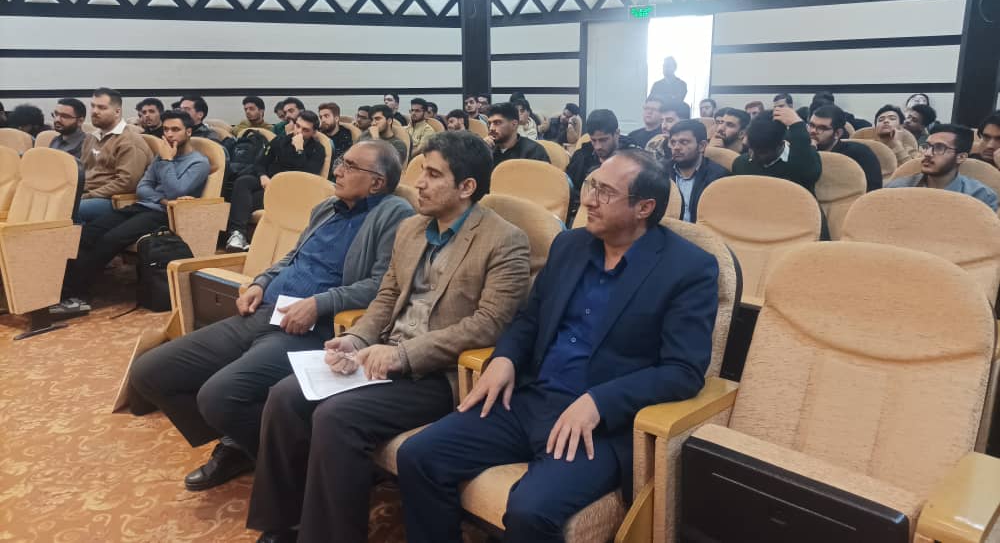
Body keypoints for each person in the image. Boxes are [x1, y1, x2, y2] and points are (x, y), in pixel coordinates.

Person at [397, 148, 719, 543]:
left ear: (644, 208)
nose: (589, 200)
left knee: (530, 511)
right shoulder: (570, 245)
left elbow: (683, 371)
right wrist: (505, 358)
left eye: (605, 193)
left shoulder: (688, 269)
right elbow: (530, 319)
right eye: (591, 186)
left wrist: (599, 402)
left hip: (600, 424)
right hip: (530, 398)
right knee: (419, 456)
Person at [246, 131, 532, 543]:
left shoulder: (504, 240)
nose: (420, 183)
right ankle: (282, 525)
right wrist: (357, 340)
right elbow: (386, 297)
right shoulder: (412, 229)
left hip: (438, 374)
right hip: (381, 355)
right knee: (285, 396)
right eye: (421, 171)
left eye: (434, 175)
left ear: (467, 186)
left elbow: (489, 324)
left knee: (336, 417)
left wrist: (403, 355)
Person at [129, 139, 414, 495]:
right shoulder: (327, 208)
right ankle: (243, 441)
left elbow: (382, 285)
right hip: (267, 311)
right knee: (149, 373)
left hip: (314, 328)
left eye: (351, 166)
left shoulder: (394, 214)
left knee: (219, 396)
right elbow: (293, 256)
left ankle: (298, 471)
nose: (338, 170)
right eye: (342, 161)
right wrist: (261, 282)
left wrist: (319, 303)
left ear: (377, 183)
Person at [61, 110, 209, 308]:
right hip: (142, 206)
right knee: (88, 233)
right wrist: (161, 198)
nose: (169, 134)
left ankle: (76, 295)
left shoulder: (198, 163)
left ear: (189, 132)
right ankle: (63, 288)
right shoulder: (161, 157)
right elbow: (142, 188)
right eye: (166, 130)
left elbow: (176, 191)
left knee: (110, 239)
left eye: (175, 130)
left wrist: (167, 161)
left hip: (165, 215)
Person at [225, 110, 327, 252]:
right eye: (297, 126)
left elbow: (306, 178)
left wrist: (299, 150)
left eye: (305, 130)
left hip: (289, 192)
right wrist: (263, 175)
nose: (299, 132)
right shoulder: (281, 140)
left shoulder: (318, 150)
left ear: (314, 132)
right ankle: (238, 235)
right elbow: (260, 163)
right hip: (268, 182)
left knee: (245, 200)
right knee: (243, 182)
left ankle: (237, 234)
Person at [78, 87, 151, 223]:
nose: (94, 111)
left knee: (68, 210)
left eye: (102, 108)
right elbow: (82, 171)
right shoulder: (91, 137)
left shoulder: (129, 140)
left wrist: (88, 195)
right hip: (87, 195)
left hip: (113, 200)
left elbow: (126, 183)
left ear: (117, 112)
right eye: (93, 106)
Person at [887, 124, 998, 210]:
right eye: (927, 146)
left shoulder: (980, 197)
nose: (927, 153)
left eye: (939, 148)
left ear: (961, 157)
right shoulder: (898, 189)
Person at [567, 109, 639, 221]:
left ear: (617, 133)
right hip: (584, 213)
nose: (598, 146)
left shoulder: (634, 159)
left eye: (603, 140)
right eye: (593, 140)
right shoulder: (581, 156)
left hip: (620, 217)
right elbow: (570, 191)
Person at [733, 107, 822, 195]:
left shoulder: (802, 162)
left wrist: (797, 125)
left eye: (762, 152)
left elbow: (809, 176)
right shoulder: (741, 164)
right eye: (751, 148)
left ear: (781, 144)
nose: (753, 156)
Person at [665, 119, 729, 222]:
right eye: (673, 142)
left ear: (701, 146)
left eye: (684, 142)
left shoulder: (719, 176)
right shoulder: (660, 171)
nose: (676, 147)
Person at [808, 105, 882, 191]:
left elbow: (873, 191)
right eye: (811, 125)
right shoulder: (802, 151)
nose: (813, 131)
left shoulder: (860, 154)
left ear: (837, 133)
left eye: (822, 128)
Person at [483, 102, 549, 168]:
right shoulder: (488, 149)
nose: (491, 128)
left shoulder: (534, 151)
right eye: (489, 123)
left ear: (514, 124)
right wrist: (482, 150)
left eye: (497, 123)